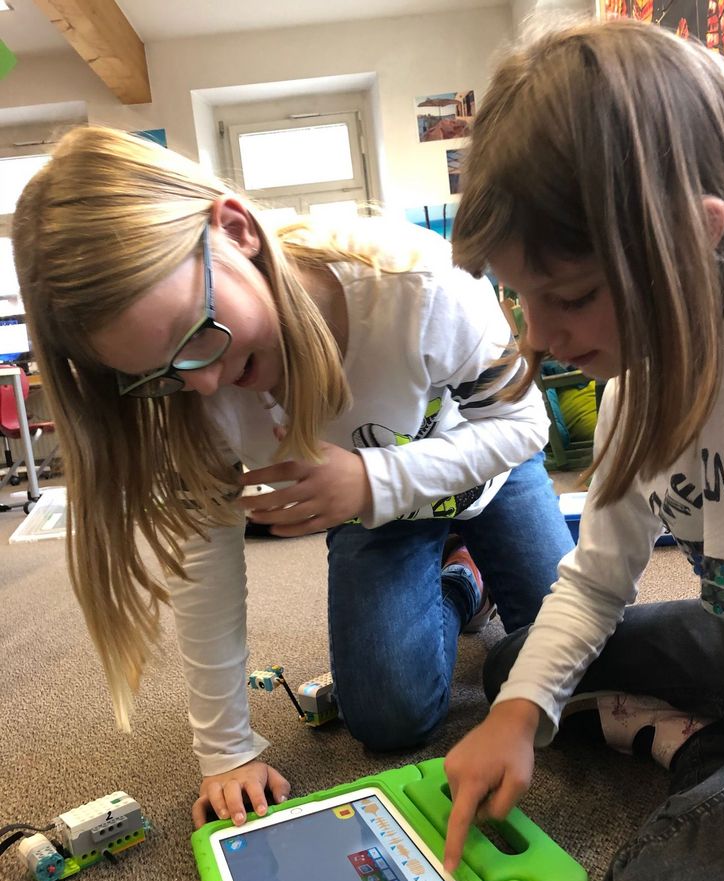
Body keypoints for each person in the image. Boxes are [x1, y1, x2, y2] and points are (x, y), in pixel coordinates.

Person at [12, 125, 573, 832]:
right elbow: (204, 562)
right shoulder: (191, 393)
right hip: (375, 514)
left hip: (487, 473)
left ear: (236, 231)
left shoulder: (420, 283)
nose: (205, 382)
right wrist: (226, 751)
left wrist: (371, 479)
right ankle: (464, 585)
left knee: (575, 671)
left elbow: (522, 427)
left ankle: (466, 557)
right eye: (159, 375)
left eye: (197, 333)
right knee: (390, 718)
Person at [441, 19, 724, 881]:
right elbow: (593, 581)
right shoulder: (634, 384)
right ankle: (710, 747)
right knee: (515, 671)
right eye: (521, 299)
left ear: (696, 233)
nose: (540, 336)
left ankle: (709, 758)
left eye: (572, 295)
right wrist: (516, 715)